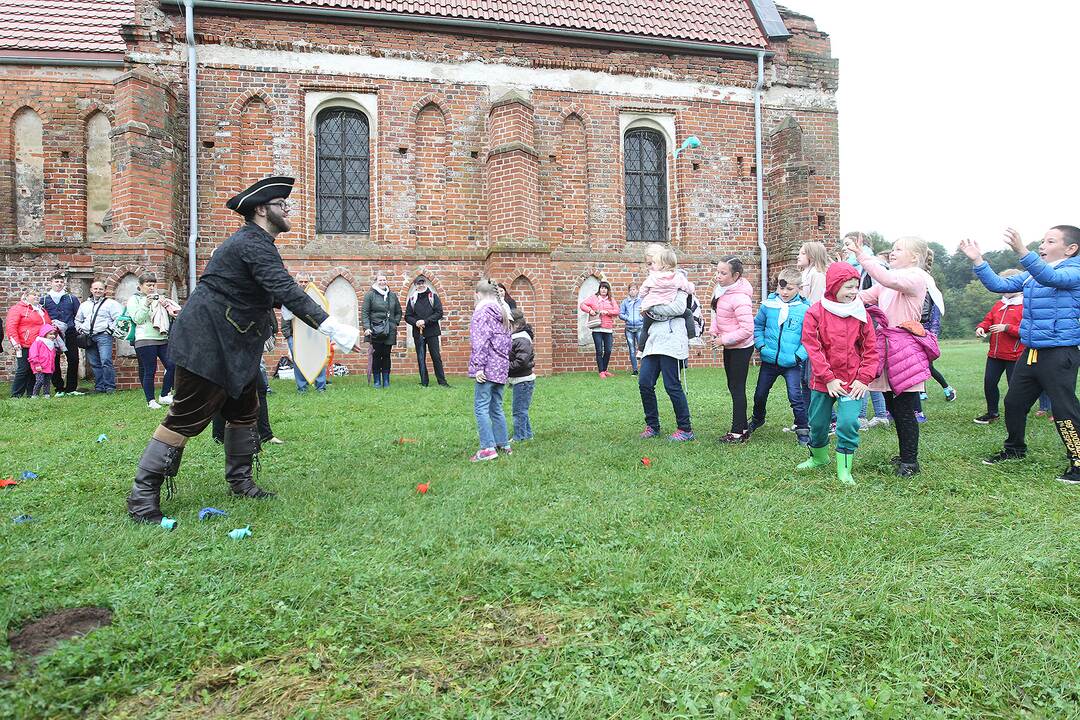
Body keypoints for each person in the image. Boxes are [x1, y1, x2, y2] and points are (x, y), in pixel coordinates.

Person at [125, 176, 361, 526]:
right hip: (208, 341)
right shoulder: (251, 242)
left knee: (244, 410)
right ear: (262, 210)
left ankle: (241, 481)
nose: (288, 209)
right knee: (186, 416)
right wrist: (334, 328)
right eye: (282, 205)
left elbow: (273, 292)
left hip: (234, 344)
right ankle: (142, 496)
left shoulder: (259, 243)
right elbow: (285, 290)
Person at [960, 225, 1080, 484]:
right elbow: (999, 284)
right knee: (1013, 403)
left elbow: (1052, 279)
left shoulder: (1074, 271)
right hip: (1032, 351)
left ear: (1071, 249)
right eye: (1043, 241)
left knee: (1064, 409)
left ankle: (1078, 463)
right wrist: (978, 260)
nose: (1042, 245)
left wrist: (1023, 251)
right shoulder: (1032, 276)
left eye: (1050, 241)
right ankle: (1014, 449)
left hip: (1060, 353)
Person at [848, 234, 930, 476]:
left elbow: (884, 276)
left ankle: (910, 463)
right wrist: (836, 294)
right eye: (892, 249)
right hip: (886, 346)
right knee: (894, 405)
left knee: (904, 408)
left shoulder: (915, 277)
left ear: (914, 257)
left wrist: (861, 255)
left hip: (903, 348)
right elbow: (862, 297)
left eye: (898, 249)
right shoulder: (888, 282)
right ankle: (905, 454)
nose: (892, 252)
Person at [797, 263, 879, 485]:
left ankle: (844, 470)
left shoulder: (861, 313)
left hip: (853, 382)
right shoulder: (815, 312)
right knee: (819, 422)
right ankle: (819, 458)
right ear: (833, 286)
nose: (853, 292)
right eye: (848, 287)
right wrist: (829, 379)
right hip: (824, 382)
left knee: (847, 422)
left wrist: (864, 379)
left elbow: (871, 349)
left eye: (856, 287)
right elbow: (812, 347)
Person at [747, 267, 811, 445]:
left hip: (792, 363)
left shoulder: (805, 309)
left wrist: (798, 357)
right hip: (769, 360)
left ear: (799, 288)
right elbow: (758, 326)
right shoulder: (768, 305)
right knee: (760, 394)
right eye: (781, 288)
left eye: (789, 289)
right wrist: (761, 346)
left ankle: (803, 429)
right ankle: (758, 418)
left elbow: (810, 337)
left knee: (795, 397)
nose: (784, 292)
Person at [638, 251, 695, 442]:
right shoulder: (653, 283)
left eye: (655, 262)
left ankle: (685, 428)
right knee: (645, 382)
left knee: (672, 385)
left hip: (671, 340)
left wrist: (652, 308)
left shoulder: (679, 283)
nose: (652, 265)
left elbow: (678, 309)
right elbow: (642, 306)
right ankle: (652, 425)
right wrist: (651, 308)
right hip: (653, 340)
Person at [710, 256, 755, 443]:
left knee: (737, 388)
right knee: (733, 386)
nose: (718, 276)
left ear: (736, 275)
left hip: (740, 348)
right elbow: (718, 314)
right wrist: (715, 331)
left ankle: (738, 432)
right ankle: (743, 425)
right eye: (718, 271)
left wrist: (724, 340)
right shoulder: (721, 290)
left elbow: (747, 329)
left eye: (723, 273)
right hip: (728, 345)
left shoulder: (740, 297)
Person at [973, 269, 1024, 424]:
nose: (1004, 288)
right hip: (994, 355)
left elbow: (1026, 331)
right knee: (989, 383)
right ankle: (992, 413)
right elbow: (988, 320)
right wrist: (981, 328)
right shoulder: (999, 304)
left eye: (1008, 284)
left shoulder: (1026, 305)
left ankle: (1016, 415)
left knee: (1014, 388)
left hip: (1015, 356)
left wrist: (1006, 328)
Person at [468, 280, 512, 461]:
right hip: (501, 367)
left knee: (481, 407)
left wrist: (478, 367)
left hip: (487, 368)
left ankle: (488, 448)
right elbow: (508, 345)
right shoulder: (503, 312)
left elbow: (480, 341)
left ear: (478, 294)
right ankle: (503, 443)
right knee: (496, 406)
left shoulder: (482, 313)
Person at [127, 273, 180, 409]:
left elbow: (172, 315)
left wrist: (166, 305)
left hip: (162, 337)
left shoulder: (159, 298)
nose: (151, 288)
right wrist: (146, 304)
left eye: (153, 285)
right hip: (145, 339)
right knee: (150, 370)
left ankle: (164, 395)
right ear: (140, 286)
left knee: (172, 365)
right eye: (148, 285)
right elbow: (137, 319)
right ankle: (150, 400)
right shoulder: (134, 299)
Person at [635, 244, 696, 352]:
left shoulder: (677, 277)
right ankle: (641, 350)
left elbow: (679, 308)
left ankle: (692, 338)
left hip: (671, 336)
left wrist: (650, 308)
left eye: (653, 263)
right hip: (655, 338)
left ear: (663, 264)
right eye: (648, 264)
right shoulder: (654, 278)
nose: (651, 267)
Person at [74, 281, 123, 393]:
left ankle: (110, 387)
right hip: (88, 337)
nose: (98, 291)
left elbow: (119, 318)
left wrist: (109, 330)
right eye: (95, 288)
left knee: (106, 360)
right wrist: (80, 329)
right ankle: (99, 387)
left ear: (104, 291)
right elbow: (78, 319)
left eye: (100, 289)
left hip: (103, 336)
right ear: (91, 290)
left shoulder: (111, 303)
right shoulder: (84, 305)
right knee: (94, 363)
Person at [41, 273, 82, 396]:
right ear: (51, 283)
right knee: (54, 360)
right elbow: (42, 317)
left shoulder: (71, 298)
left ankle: (71, 388)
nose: (59, 284)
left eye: (61, 281)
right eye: (56, 281)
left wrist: (75, 328)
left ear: (64, 283)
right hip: (52, 334)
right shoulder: (44, 300)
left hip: (69, 332)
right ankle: (58, 387)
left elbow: (78, 315)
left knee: (73, 359)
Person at [6, 289, 52, 397]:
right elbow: (11, 326)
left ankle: (31, 393)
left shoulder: (42, 310)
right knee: (23, 369)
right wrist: (15, 342)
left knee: (34, 370)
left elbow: (47, 325)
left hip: (38, 345)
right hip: (24, 344)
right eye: (34, 295)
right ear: (26, 296)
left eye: (38, 295)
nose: (37, 297)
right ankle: (16, 394)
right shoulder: (17, 309)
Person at [405, 275, 449, 387]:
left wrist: (425, 321)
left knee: (436, 357)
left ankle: (442, 382)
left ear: (426, 284)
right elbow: (407, 316)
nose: (421, 285)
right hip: (418, 333)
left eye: (422, 283)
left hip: (432, 332)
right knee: (421, 357)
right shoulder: (412, 299)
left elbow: (439, 313)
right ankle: (424, 382)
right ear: (415, 285)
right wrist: (416, 322)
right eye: (418, 283)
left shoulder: (433, 297)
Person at [282, 286, 327, 392]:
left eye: (305, 281)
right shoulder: (291, 298)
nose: (303, 284)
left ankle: (320, 387)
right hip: (296, 337)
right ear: (297, 283)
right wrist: (288, 335)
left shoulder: (315, 297)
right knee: (298, 361)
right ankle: (302, 387)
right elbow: (285, 319)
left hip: (314, 336)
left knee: (318, 358)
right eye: (301, 281)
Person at [362, 271, 402, 389]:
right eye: (380, 280)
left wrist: (395, 323)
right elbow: (365, 313)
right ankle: (377, 381)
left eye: (384, 280)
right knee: (376, 355)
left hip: (389, 330)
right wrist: (367, 327)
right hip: (375, 329)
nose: (383, 282)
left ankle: (386, 380)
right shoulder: (370, 295)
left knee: (386, 355)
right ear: (376, 281)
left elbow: (399, 312)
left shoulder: (392, 295)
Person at [579, 280, 620, 378]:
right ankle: (601, 371)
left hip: (608, 329)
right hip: (597, 328)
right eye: (602, 288)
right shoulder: (594, 298)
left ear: (608, 290)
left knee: (608, 350)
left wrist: (607, 312)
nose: (603, 290)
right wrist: (590, 310)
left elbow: (617, 311)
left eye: (605, 288)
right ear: (599, 289)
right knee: (599, 350)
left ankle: (605, 370)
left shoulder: (611, 300)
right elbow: (582, 305)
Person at [507, 308, 536, 442]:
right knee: (522, 409)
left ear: (516, 325)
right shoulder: (519, 338)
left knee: (519, 410)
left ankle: (519, 437)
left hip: (523, 381)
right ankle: (527, 434)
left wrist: (505, 368)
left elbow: (521, 361)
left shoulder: (521, 339)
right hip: (522, 380)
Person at [28, 324, 59, 398]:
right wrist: (37, 364)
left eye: (54, 334)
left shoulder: (51, 344)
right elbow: (33, 354)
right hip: (40, 366)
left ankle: (46, 394)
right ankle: (35, 394)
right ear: (44, 334)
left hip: (48, 367)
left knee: (47, 382)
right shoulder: (38, 342)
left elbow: (52, 357)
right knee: (40, 381)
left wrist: (52, 367)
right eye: (50, 334)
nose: (53, 336)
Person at [619, 283, 643, 375]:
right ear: (628, 291)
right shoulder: (625, 302)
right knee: (632, 350)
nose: (632, 291)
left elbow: (647, 311)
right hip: (629, 328)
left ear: (637, 290)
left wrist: (642, 318)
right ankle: (635, 369)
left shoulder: (641, 301)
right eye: (631, 290)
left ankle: (644, 368)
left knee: (641, 349)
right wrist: (627, 318)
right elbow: (621, 314)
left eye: (634, 289)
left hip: (640, 327)